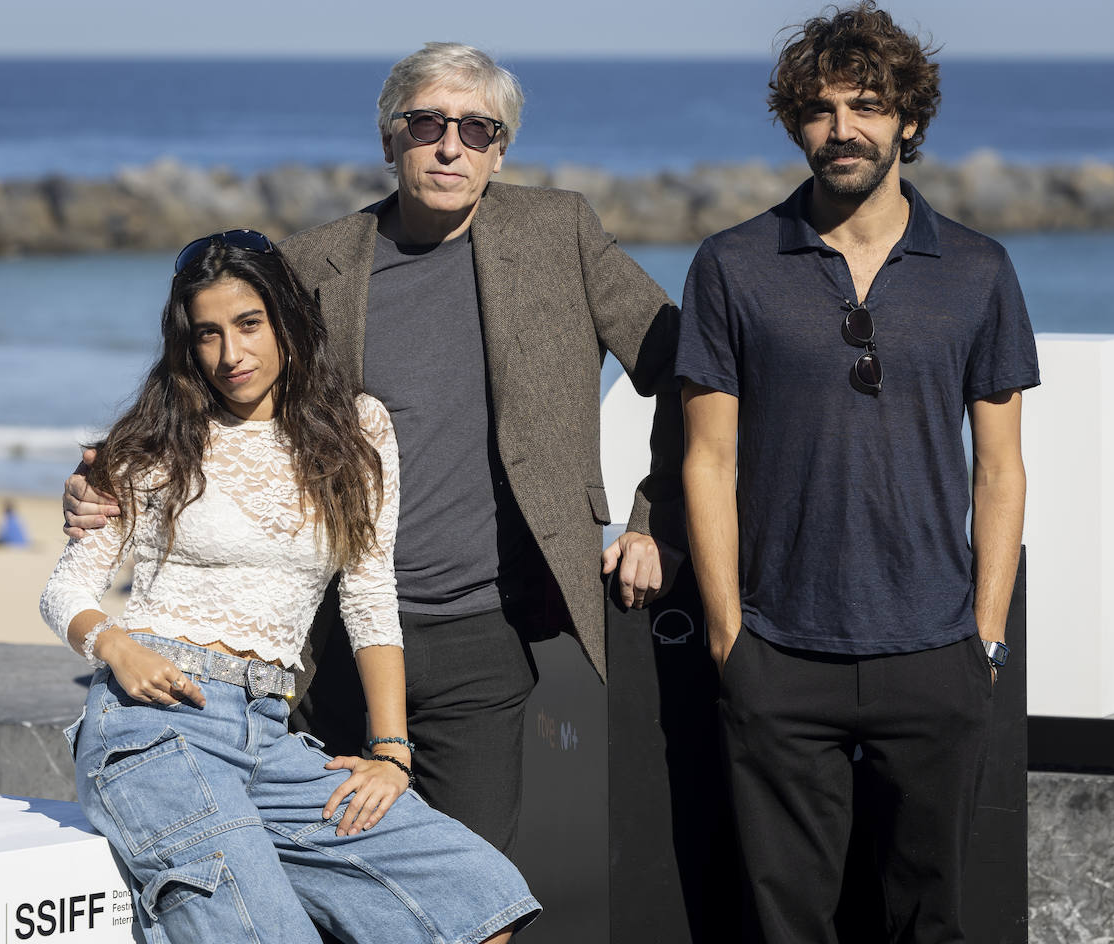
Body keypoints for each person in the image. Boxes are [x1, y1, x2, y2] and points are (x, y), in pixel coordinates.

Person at [64, 43, 684, 853]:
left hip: (483, 633)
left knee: (472, 894)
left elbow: (685, 365)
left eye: (476, 127)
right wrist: (100, 481)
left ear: (501, 149)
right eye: (426, 122)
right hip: (327, 641)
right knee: (339, 888)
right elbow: (209, 393)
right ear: (389, 138)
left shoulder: (557, 231)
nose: (449, 144)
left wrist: (652, 513)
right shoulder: (312, 264)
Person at [40, 232, 538, 944]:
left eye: (248, 325)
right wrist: (116, 647)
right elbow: (65, 592)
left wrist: (390, 751)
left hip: (271, 735)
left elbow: (369, 601)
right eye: (207, 334)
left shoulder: (359, 431)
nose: (230, 356)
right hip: (153, 728)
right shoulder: (154, 443)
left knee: (480, 899)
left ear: (286, 321)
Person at [676, 4, 1039, 941]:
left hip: (935, 650)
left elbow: (1000, 470)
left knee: (933, 921)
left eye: (867, 106)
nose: (843, 130)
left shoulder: (978, 269)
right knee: (786, 925)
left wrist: (984, 639)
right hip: (779, 654)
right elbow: (708, 458)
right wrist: (728, 637)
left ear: (909, 121)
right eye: (821, 109)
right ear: (796, 123)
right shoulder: (732, 265)